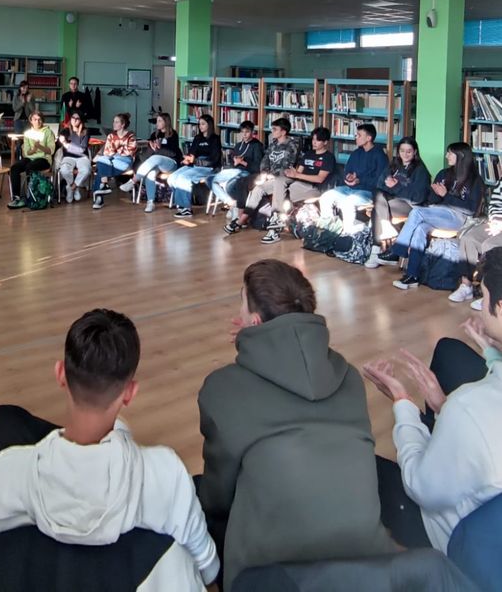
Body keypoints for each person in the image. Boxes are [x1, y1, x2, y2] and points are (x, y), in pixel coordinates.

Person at [0, 309, 219, 590]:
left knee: (3, 420)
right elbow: (206, 567)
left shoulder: (6, 471)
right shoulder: (167, 474)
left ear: (60, 374)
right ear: (130, 393)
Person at [198, 259, 392, 591]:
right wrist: (260, 342)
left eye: (242, 302)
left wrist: (253, 344)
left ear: (254, 320)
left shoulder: (221, 388)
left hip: (270, 576)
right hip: (365, 565)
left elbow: (218, 498)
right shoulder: (348, 377)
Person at [363, 247, 502, 554]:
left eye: (484, 298)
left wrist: (403, 403)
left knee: (360, 465)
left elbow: (420, 487)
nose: (480, 308)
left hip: (462, 541)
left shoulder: (470, 406)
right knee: (450, 352)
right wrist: (491, 351)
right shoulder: (468, 406)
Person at [389, 142, 484, 290]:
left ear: (461, 156)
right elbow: (431, 200)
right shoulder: (444, 174)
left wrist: (446, 195)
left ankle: (398, 251)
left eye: (450, 153)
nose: (446, 156)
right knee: (420, 228)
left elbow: (470, 210)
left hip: (459, 218)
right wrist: (436, 194)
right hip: (438, 212)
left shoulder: (475, 180)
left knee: (416, 212)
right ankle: (412, 275)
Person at [223, 118, 299, 238]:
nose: (272, 131)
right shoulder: (273, 144)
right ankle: (240, 221)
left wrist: (271, 175)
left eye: (275, 129)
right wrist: (265, 173)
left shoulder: (292, 145)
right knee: (256, 188)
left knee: (254, 182)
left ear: (283, 132)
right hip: (270, 176)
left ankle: (268, 221)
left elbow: (287, 165)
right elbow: (264, 161)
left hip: (283, 177)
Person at [366, 137, 431, 269]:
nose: (405, 154)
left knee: (377, 208)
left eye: (409, 151)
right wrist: (393, 188)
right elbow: (380, 184)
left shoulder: (420, 170)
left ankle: (376, 248)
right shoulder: (394, 165)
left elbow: (417, 198)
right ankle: (382, 237)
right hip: (389, 201)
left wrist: (395, 187)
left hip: (409, 205)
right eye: (402, 151)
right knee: (377, 194)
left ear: (415, 152)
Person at [318, 123, 389, 232]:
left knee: (348, 202)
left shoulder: (380, 156)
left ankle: (348, 233)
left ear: (369, 138)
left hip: (368, 191)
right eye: (356, 135)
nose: (356, 137)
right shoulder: (356, 153)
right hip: (349, 188)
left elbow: (379, 180)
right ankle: (329, 230)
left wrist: (359, 180)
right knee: (325, 197)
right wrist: (349, 176)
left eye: (359, 135)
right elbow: (348, 170)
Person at [448, 175, 502, 307]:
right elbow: (495, 204)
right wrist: (496, 220)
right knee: (468, 238)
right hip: (497, 223)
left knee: (490, 245)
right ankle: (466, 286)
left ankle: (490, 295)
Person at [119, 112, 183, 214]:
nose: (157, 123)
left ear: (166, 122)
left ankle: (133, 181)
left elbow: (172, 153)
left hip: (171, 163)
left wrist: (158, 149)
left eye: (160, 121)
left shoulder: (173, 134)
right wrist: (152, 148)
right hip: (156, 163)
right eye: (157, 121)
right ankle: (150, 202)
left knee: (156, 157)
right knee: (150, 174)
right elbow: (149, 154)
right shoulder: (154, 135)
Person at [270, 124, 336, 213]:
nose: (314, 142)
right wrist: (291, 173)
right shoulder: (309, 154)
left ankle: (278, 215)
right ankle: (276, 215)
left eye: (318, 140)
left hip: (314, 187)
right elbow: (299, 172)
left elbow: (319, 179)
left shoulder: (328, 157)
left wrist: (297, 175)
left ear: (325, 142)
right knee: (279, 184)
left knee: (282, 195)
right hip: (300, 183)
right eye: (313, 139)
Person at [168, 114, 222, 219]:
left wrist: (196, 161)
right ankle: (180, 204)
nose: (200, 126)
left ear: (209, 125)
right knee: (172, 177)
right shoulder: (198, 138)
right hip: (194, 164)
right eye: (199, 124)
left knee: (183, 178)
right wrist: (187, 159)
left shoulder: (215, 139)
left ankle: (186, 208)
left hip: (208, 167)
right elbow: (192, 152)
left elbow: (213, 160)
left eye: (203, 124)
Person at [206, 120, 263, 219]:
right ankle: (231, 203)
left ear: (252, 132)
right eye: (242, 132)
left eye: (247, 132)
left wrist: (243, 162)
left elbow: (257, 167)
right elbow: (233, 161)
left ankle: (235, 206)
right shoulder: (238, 145)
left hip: (246, 172)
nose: (244, 134)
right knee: (210, 179)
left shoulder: (257, 145)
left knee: (230, 186)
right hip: (234, 170)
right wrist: (235, 162)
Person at [8, 111, 55, 210]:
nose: (37, 121)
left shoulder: (48, 132)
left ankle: (31, 196)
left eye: (39, 119)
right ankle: (17, 197)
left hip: (44, 159)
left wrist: (40, 146)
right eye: (35, 119)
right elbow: (26, 152)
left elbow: (51, 151)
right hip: (30, 158)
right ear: (31, 121)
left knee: (30, 167)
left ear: (42, 120)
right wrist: (34, 149)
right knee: (15, 167)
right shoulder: (28, 133)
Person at [91, 114, 137, 211]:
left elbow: (129, 152)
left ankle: (100, 196)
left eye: (116, 122)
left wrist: (115, 152)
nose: (113, 124)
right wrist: (118, 151)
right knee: (101, 161)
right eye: (113, 121)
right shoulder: (111, 136)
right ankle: (103, 186)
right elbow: (107, 152)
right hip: (112, 160)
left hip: (125, 162)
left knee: (101, 167)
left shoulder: (130, 136)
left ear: (123, 124)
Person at [57, 111, 91, 203]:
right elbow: (58, 145)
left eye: (77, 118)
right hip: (68, 157)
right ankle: (74, 187)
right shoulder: (65, 131)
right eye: (73, 118)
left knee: (86, 170)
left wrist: (66, 143)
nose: (74, 120)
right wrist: (63, 143)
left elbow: (81, 150)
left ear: (81, 120)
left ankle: (71, 188)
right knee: (64, 170)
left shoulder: (85, 131)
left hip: (82, 157)